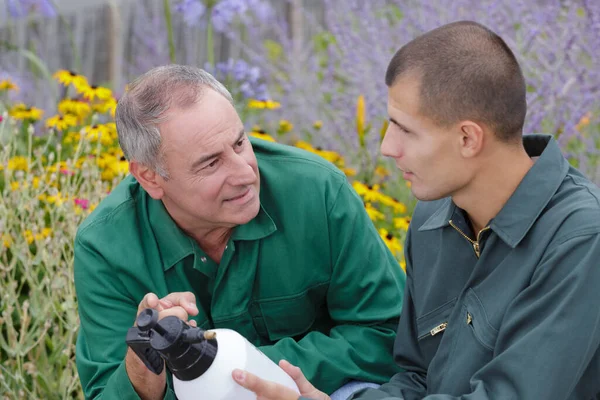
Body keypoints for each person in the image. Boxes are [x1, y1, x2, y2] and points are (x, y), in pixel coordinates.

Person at [233, 20, 600, 400]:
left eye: (404, 129)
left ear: (467, 138)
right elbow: (415, 377)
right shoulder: (432, 220)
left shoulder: (580, 239)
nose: (387, 148)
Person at [73, 65, 406, 399]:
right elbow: (106, 392)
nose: (244, 173)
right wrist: (147, 367)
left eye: (239, 143)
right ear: (149, 178)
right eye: (211, 163)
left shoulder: (317, 191)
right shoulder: (104, 246)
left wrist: (237, 371)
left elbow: (390, 333)